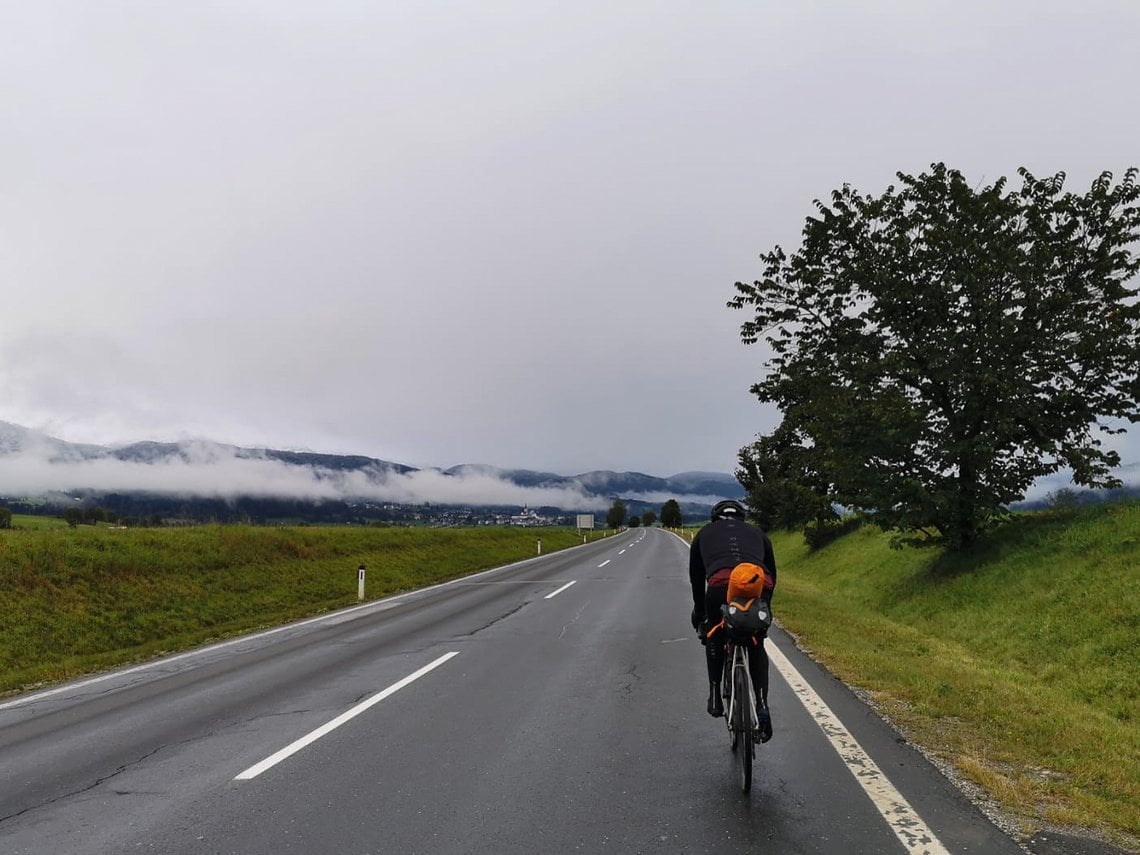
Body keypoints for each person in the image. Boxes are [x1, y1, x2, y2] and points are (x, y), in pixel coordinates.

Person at [689, 499, 777, 740]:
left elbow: (697, 580)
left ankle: (715, 694)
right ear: (742, 518)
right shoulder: (758, 533)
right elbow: (772, 573)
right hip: (758, 584)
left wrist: (701, 615)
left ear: (714, 518)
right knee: (757, 642)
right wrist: (765, 610)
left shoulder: (704, 533)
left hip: (719, 586)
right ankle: (762, 706)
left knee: (715, 633)